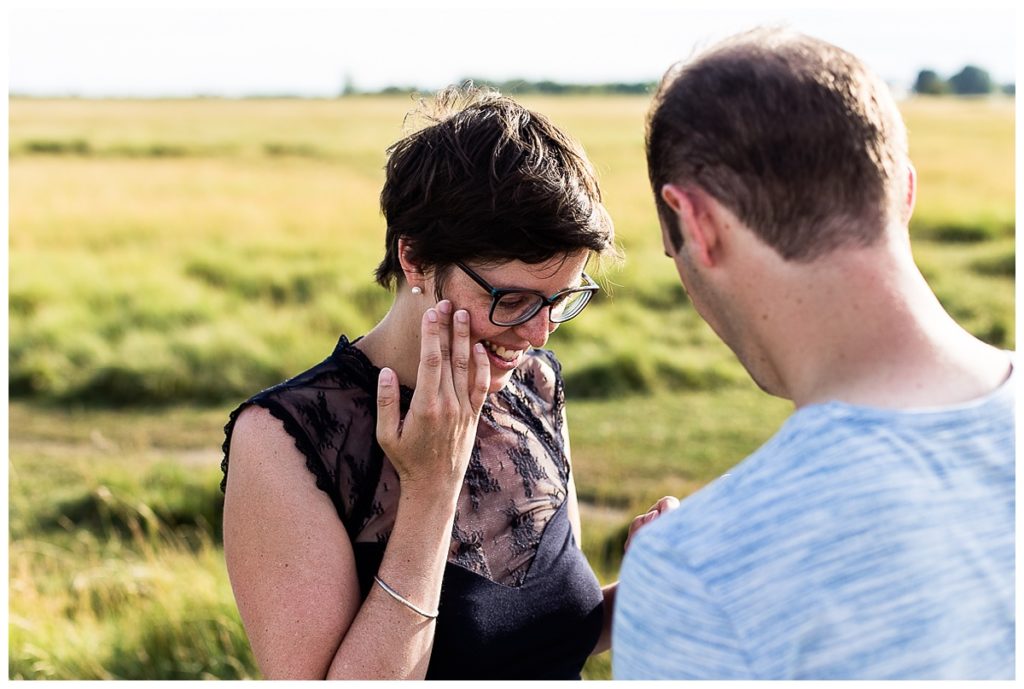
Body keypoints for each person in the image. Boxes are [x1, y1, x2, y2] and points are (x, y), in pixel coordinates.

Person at [220, 85, 672, 680]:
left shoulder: (532, 385)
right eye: (511, 299)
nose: (538, 334)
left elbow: (539, 637)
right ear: (414, 258)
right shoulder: (284, 442)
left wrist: (645, 589)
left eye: (562, 299)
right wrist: (432, 488)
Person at [612, 28, 1014, 680]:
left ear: (698, 224)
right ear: (903, 192)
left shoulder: (702, 569)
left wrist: (685, 569)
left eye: (673, 252)